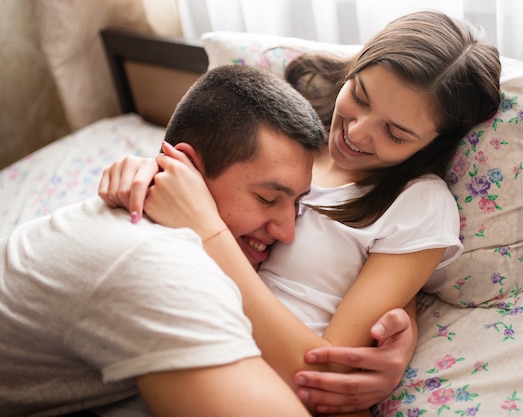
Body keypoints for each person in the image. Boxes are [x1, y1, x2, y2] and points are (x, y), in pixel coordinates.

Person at [100, 10, 502, 417]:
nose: (358, 132)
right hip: (172, 338)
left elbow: (326, 370)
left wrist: (208, 232)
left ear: (433, 143)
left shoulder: (418, 204)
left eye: (395, 133)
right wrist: (148, 169)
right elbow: (199, 169)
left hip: (268, 382)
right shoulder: (289, 134)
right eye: (359, 96)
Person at [0, 64, 332, 417]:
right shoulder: (152, 262)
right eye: (267, 198)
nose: (287, 231)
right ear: (183, 167)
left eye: (296, 203)